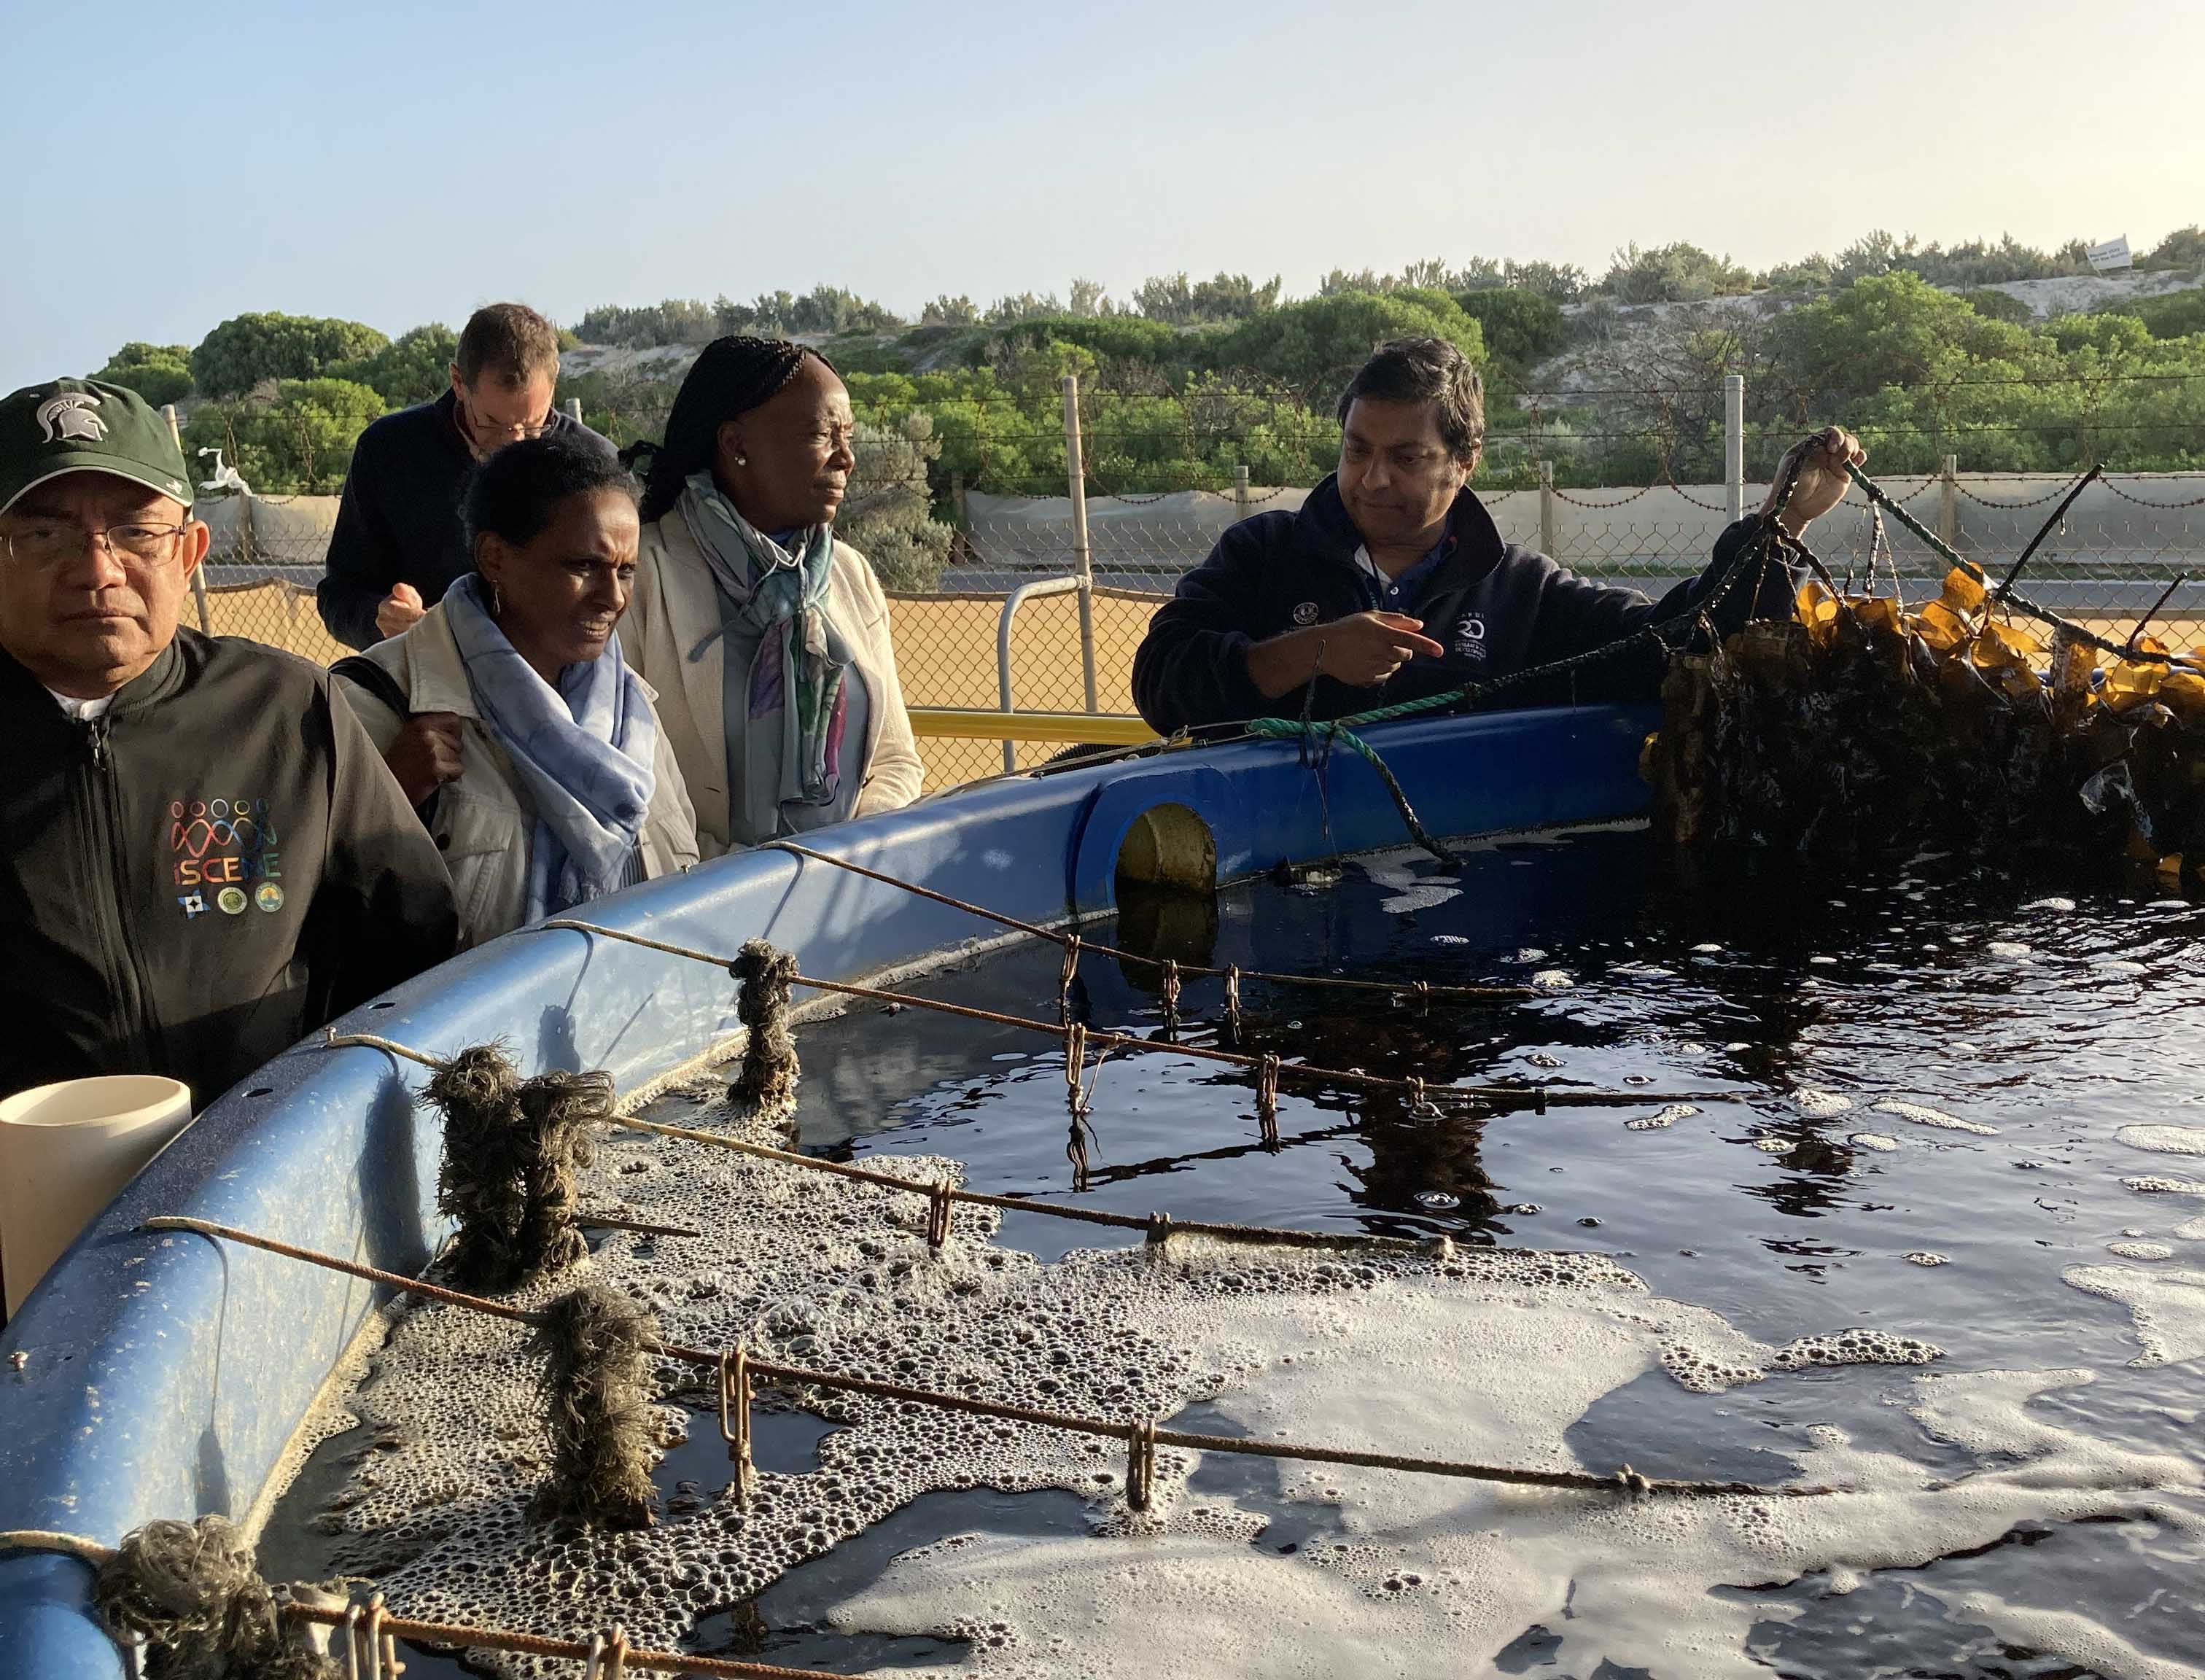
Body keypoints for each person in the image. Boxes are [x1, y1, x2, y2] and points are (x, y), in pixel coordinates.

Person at [0, 378, 457, 1104]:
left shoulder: (288, 709)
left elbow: (414, 942)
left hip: (260, 1178)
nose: (97, 568)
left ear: (190, 553)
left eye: (136, 531)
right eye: (44, 534)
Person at [1132, 337, 1864, 733]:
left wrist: (1781, 523)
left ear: (1465, 462)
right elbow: (1161, 682)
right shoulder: (1261, 554)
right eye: (1358, 450)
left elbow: (1676, 642)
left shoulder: (1522, 591)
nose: (1373, 479)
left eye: (1406, 457)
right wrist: (1311, 653)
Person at [335, 432, 699, 946]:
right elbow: (316, 915)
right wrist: (387, 801)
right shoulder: (377, 708)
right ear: (495, 558)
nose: (612, 598)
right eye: (584, 566)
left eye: (626, 570)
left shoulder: (634, 714)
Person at [618, 335, 922, 857]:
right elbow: (628, 783)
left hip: (848, 891)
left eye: (847, 436)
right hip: (697, 904)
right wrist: (740, 879)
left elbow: (896, 759)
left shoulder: (849, 575)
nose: (846, 458)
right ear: (736, 445)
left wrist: (857, 854)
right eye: (822, 434)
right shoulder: (639, 574)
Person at [316, 302, 613, 650]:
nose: (513, 442)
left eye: (533, 426)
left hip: (562, 689)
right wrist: (379, 618)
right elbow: (339, 595)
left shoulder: (594, 467)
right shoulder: (388, 452)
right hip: (427, 683)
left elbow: (623, 598)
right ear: (458, 382)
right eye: (492, 423)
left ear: (555, 381)